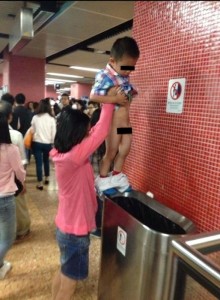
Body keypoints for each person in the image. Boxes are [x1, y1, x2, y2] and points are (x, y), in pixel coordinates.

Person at [50, 89, 116, 300]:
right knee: (69, 285)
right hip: (74, 233)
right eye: (86, 132)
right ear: (77, 134)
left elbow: (96, 130)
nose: (90, 134)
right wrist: (108, 102)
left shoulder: (63, 152)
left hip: (65, 227)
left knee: (63, 271)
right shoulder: (75, 156)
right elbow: (102, 131)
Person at [90, 36, 140, 195]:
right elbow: (93, 96)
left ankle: (117, 175)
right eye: (125, 67)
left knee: (125, 149)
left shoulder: (123, 75)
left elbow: (127, 94)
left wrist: (129, 95)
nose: (128, 71)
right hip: (113, 124)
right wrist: (115, 99)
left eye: (132, 67)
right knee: (111, 152)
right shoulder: (104, 75)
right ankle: (103, 179)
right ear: (112, 60)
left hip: (125, 123)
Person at [0, 97, 31, 242]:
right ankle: (21, 230)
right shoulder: (15, 136)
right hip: (12, 181)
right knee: (19, 206)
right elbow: (22, 162)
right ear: (10, 116)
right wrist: (22, 181)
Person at [0, 107, 26, 279]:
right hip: (5, 198)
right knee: (8, 237)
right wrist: (22, 184)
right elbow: (19, 172)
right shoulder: (10, 149)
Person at [31, 98, 56, 190]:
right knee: (46, 161)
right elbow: (54, 133)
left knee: (38, 163)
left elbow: (32, 130)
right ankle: (47, 178)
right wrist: (52, 143)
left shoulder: (35, 117)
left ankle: (40, 183)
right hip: (47, 143)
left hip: (37, 142)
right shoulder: (52, 119)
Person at [90, 108, 106, 238]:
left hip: (93, 177)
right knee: (101, 203)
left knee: (96, 203)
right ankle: (98, 226)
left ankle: (96, 227)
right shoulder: (110, 136)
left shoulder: (90, 137)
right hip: (106, 178)